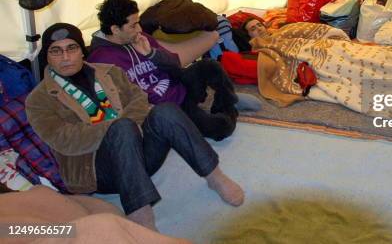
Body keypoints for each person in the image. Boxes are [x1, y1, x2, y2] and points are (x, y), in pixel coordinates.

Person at [26, 23, 244, 231]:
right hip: (96, 171)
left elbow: (139, 98)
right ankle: (141, 216)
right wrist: (119, 127)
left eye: (71, 48)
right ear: (47, 56)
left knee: (166, 110)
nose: (65, 57)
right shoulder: (38, 99)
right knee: (121, 128)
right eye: (56, 51)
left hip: (137, 151)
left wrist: (129, 128)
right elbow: (65, 140)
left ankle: (214, 177)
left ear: (82, 51)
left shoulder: (109, 71)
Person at [88, 0, 259, 142]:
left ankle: (227, 98)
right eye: (133, 25)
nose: (139, 29)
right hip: (168, 107)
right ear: (115, 29)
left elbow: (175, 66)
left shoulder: (139, 37)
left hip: (178, 85)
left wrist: (152, 54)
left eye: (138, 23)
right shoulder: (101, 61)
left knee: (210, 66)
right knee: (221, 129)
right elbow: (126, 103)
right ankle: (229, 106)